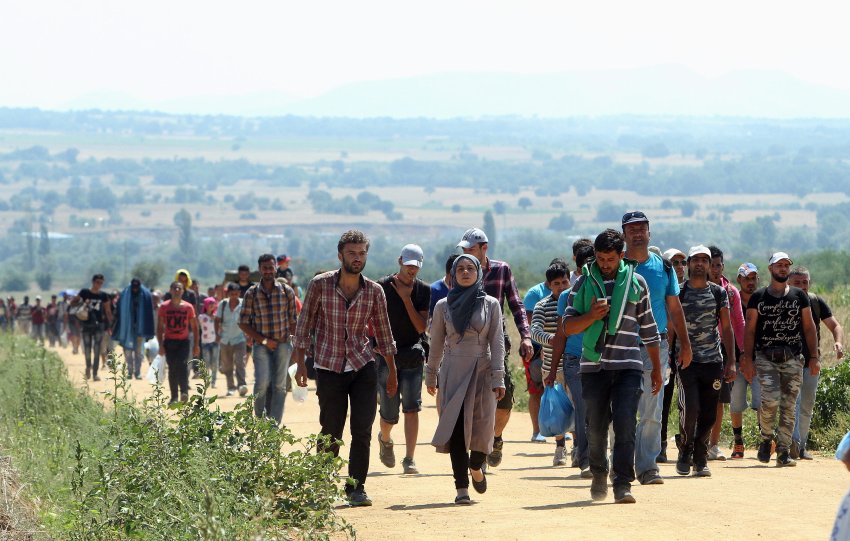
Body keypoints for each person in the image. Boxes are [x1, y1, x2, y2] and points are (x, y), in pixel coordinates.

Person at [292, 230, 397, 507]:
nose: (357, 258)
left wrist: (392, 374)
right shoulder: (320, 285)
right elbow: (304, 325)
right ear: (340, 255)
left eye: (362, 253)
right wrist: (300, 363)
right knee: (331, 430)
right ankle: (321, 487)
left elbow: (384, 335)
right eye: (352, 253)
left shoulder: (374, 291)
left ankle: (356, 488)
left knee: (362, 429)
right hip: (328, 366)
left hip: (363, 366)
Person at [564, 228, 661, 504]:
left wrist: (655, 367)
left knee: (625, 423)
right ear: (595, 256)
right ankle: (598, 473)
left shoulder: (637, 283)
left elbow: (649, 329)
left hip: (628, 366)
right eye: (601, 258)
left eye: (611, 259)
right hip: (593, 367)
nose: (606, 264)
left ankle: (622, 483)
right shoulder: (583, 284)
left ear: (621, 256)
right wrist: (591, 316)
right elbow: (568, 326)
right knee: (595, 426)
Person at [426, 254, 506, 504]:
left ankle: (476, 467)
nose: (464, 272)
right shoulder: (443, 306)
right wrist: (431, 374)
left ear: (478, 273)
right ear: (452, 275)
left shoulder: (490, 304)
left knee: (483, 427)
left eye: (470, 268)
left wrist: (498, 376)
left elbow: (497, 341)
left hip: (482, 370)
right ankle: (461, 488)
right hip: (453, 371)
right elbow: (436, 342)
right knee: (457, 429)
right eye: (459, 269)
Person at [621, 211, 691, 486]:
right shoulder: (615, 265)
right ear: (624, 234)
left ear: (649, 232)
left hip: (657, 346)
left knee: (652, 410)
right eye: (632, 229)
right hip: (621, 346)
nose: (638, 233)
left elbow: (674, 307)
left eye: (642, 228)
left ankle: (648, 466)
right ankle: (622, 466)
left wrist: (685, 344)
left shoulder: (663, 267)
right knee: (622, 410)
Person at [457, 227, 533, 468]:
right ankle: (478, 453)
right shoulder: (461, 271)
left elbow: (516, 305)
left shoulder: (501, 270)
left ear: (483, 248)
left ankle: (496, 437)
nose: (466, 255)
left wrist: (526, 336)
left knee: (504, 400)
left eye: (471, 250)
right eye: (464, 250)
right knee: (472, 401)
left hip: (497, 342)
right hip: (467, 346)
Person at [740, 252, 819, 467]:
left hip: (793, 357)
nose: (783, 268)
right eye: (779, 265)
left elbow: (809, 327)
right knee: (770, 400)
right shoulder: (759, 297)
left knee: (788, 405)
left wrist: (814, 356)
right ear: (770, 269)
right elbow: (750, 330)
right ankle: (766, 438)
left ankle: (783, 451)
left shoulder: (798, 296)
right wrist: (748, 359)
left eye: (786, 265)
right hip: (766, 357)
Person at [669, 246, 737, 477]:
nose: (700, 264)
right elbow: (671, 328)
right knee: (690, 408)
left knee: (709, 412)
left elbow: (726, 328)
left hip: (713, 361)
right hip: (686, 361)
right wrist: (668, 358)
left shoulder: (719, 293)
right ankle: (685, 450)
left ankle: (701, 455)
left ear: (709, 265)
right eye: (695, 260)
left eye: (704, 260)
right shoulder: (678, 292)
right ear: (688, 263)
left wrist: (732, 361)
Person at [374, 244, 430, 475]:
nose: (411, 271)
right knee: (389, 413)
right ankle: (385, 438)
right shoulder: (381, 287)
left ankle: (409, 458)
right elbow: (372, 320)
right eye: (407, 266)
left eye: (415, 267)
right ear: (400, 261)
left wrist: (407, 299)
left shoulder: (423, 291)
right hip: (386, 354)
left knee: (412, 408)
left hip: (412, 354)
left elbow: (421, 327)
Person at [548, 243, 596, 476]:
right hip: (574, 360)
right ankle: (586, 458)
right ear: (578, 269)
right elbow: (561, 335)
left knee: (600, 410)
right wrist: (552, 370)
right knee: (583, 408)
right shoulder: (566, 297)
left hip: (602, 358)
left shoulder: (608, 294)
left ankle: (589, 453)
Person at [789, 266, 845, 460]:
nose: (802, 286)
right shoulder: (781, 302)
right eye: (797, 283)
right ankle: (791, 445)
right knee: (792, 404)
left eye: (805, 282)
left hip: (812, 361)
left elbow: (835, 325)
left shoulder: (815, 301)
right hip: (788, 362)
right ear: (788, 283)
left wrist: (838, 342)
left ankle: (801, 446)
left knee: (806, 405)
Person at [238, 254, 298, 425]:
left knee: (279, 386)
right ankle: (259, 419)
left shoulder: (287, 292)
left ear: (276, 268)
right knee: (262, 383)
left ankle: (273, 425)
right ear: (259, 270)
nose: (268, 271)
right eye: (265, 268)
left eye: (271, 267)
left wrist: (297, 347)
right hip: (261, 346)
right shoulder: (252, 293)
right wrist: (263, 340)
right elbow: (243, 322)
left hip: (283, 344)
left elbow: (293, 320)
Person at [703, 245, 746, 461]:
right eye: (712, 264)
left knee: (718, 398)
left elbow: (738, 324)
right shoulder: (690, 289)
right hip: (699, 347)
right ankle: (695, 442)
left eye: (719, 265)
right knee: (697, 399)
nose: (715, 269)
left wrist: (740, 354)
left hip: (721, 349)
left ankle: (713, 445)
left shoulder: (730, 292)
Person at [530, 263, 572, 465]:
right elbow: (534, 331)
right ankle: (560, 447)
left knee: (578, 407)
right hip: (551, 367)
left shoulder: (576, 302)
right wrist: (553, 339)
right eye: (557, 283)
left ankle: (581, 449)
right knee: (557, 410)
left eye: (564, 281)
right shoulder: (542, 306)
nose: (562, 286)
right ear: (549, 285)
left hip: (574, 364)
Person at [730, 262, 762, 458]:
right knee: (736, 403)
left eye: (753, 278)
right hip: (736, 359)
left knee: (762, 402)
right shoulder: (733, 301)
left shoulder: (762, 300)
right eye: (747, 278)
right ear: (739, 280)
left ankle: (764, 440)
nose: (751, 282)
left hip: (759, 360)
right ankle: (738, 441)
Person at [658, 247, 686, 463]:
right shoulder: (659, 289)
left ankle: (686, 441)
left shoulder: (689, 290)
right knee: (663, 401)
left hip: (684, 353)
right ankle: (660, 445)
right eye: (674, 263)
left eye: (681, 262)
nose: (679, 267)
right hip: (664, 352)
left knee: (687, 401)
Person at [156, 281, 199, 404]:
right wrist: (160, 345)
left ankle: (184, 393)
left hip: (183, 342)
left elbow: (195, 328)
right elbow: (159, 327)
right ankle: (174, 397)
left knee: (182, 365)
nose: (177, 290)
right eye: (174, 288)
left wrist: (196, 345)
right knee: (172, 368)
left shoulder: (188, 307)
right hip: (169, 341)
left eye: (179, 288)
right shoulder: (164, 307)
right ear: (170, 290)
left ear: (183, 291)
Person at [113, 278, 155, 380]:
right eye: (134, 287)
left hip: (140, 328)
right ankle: (129, 371)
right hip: (126, 328)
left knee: (139, 352)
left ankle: (137, 372)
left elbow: (149, 314)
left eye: (137, 287)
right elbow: (118, 311)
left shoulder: (145, 295)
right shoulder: (125, 295)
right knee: (127, 351)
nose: (135, 289)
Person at [74, 275, 113, 381]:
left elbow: (108, 311)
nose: (99, 285)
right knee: (87, 349)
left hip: (99, 325)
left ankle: (95, 373)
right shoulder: (84, 292)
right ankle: (88, 367)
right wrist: (83, 302)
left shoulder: (103, 295)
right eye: (97, 282)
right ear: (93, 282)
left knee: (97, 350)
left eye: (101, 283)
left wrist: (111, 325)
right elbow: (73, 302)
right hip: (86, 324)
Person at [216, 283, 249, 397]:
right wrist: (217, 334)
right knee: (227, 365)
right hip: (225, 339)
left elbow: (248, 320)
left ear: (239, 293)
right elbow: (217, 319)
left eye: (236, 294)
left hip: (240, 338)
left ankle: (241, 385)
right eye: (232, 294)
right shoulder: (223, 304)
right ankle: (231, 387)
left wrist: (249, 335)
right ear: (228, 293)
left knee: (240, 362)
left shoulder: (243, 304)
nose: (234, 296)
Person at [198, 297, 220, 388]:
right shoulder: (201, 317)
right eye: (209, 304)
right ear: (206, 305)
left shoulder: (217, 317)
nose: (211, 306)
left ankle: (213, 382)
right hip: (205, 342)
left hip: (215, 342)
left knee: (215, 362)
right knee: (206, 363)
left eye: (213, 304)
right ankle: (207, 380)